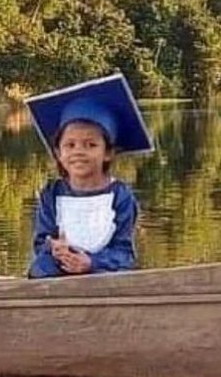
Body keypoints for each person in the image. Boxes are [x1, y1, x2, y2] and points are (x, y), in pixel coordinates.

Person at [25, 74, 153, 279]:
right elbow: (42, 241)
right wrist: (56, 249)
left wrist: (91, 262)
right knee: (41, 267)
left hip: (104, 270)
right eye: (70, 145)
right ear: (58, 153)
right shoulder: (52, 193)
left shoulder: (120, 195)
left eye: (90, 145)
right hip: (60, 268)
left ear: (108, 152)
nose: (78, 152)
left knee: (121, 273)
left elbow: (124, 252)